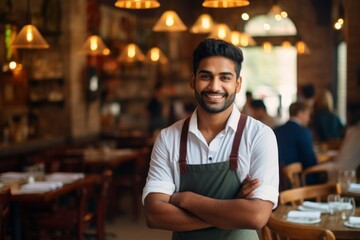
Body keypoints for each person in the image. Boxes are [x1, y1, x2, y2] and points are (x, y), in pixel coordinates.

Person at [142, 38, 279, 240]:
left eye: (225, 78)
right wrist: (233, 208)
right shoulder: (169, 137)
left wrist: (185, 199)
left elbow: (257, 216)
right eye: (206, 76)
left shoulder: (259, 135)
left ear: (238, 84)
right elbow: (154, 215)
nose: (215, 87)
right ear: (193, 81)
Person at [274, 101, 317, 188]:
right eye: (307, 115)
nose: (308, 119)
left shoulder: (276, 130)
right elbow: (311, 161)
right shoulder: (303, 132)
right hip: (297, 182)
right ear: (300, 114)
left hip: (276, 179)